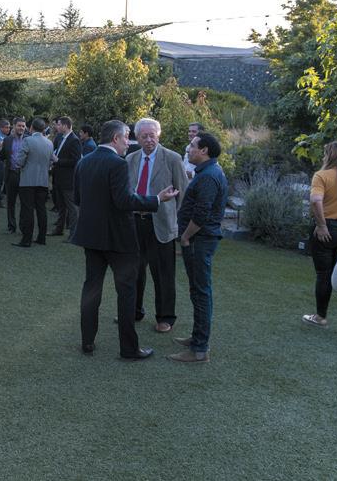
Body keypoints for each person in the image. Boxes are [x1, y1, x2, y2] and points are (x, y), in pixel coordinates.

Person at [71, 120, 178, 360]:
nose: (129, 143)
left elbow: (77, 199)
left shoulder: (83, 162)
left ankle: (87, 341)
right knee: (126, 292)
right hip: (119, 239)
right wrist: (157, 200)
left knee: (91, 288)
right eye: (127, 137)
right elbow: (124, 201)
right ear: (116, 138)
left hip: (91, 237)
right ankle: (129, 349)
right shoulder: (118, 164)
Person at [126, 118, 188, 332]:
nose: (149, 140)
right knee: (133, 272)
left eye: (152, 135)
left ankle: (165, 317)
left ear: (158, 135)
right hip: (135, 223)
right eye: (144, 136)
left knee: (163, 274)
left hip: (161, 225)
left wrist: (176, 222)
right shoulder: (130, 158)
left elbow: (183, 193)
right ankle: (134, 311)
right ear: (137, 138)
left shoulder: (172, 158)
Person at [171, 132, 228, 363]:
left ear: (204, 150)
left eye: (193, 145)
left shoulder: (208, 176)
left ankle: (199, 349)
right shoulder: (208, 172)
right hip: (200, 240)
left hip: (199, 240)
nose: (189, 148)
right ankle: (197, 339)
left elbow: (202, 213)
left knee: (201, 292)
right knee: (198, 291)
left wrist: (185, 237)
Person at [303, 142, 337, 328]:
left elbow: (316, 200)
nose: (324, 157)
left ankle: (320, 317)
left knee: (324, 274)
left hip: (327, 229)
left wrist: (321, 225)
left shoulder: (322, 176)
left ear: (331, 156)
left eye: (325, 153)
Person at [14, 118, 53, 248]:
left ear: (31, 128)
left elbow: (20, 161)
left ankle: (26, 239)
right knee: (41, 209)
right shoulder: (49, 143)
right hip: (43, 180)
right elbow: (51, 161)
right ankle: (42, 237)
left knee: (27, 209)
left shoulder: (28, 140)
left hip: (28, 180)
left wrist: (19, 165)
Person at [49, 116, 81, 239]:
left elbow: (76, 161)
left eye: (58, 124)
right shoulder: (59, 138)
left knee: (72, 208)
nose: (56, 127)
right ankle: (59, 229)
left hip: (68, 180)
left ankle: (74, 234)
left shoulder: (74, 140)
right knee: (61, 206)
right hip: (58, 178)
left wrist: (58, 160)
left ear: (65, 126)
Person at [0, 117, 28, 235]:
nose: (21, 128)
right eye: (19, 125)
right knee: (11, 202)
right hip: (11, 174)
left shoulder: (28, 140)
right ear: (14, 126)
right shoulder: (7, 140)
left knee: (25, 203)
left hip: (25, 175)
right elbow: (2, 156)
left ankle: (23, 226)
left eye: (23, 126)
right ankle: (12, 226)